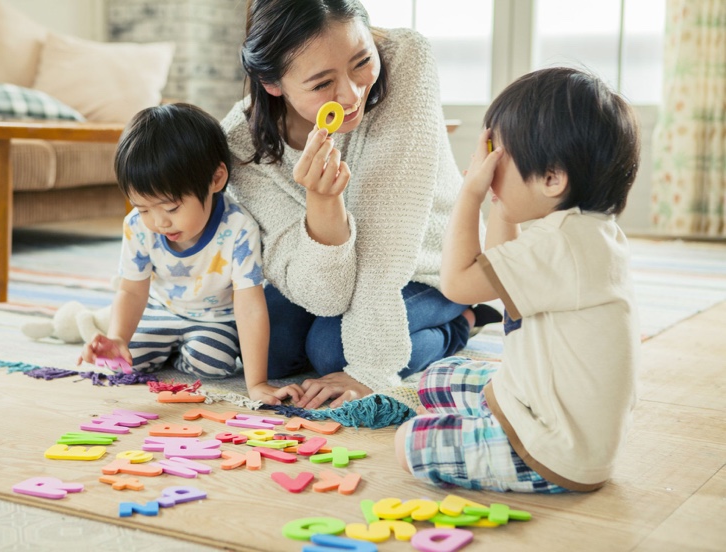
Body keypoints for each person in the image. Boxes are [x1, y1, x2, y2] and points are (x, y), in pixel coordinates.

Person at [221, 0, 501, 410]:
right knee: (269, 348)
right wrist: (323, 203)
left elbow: (386, 236)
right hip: (338, 275)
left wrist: (370, 369)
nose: (352, 94)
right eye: (321, 84)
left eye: (361, 61)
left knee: (333, 351)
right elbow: (325, 297)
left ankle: (461, 322)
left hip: (431, 260)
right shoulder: (241, 144)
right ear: (272, 83)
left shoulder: (405, 59)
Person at [394, 67, 642, 492]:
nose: (487, 164)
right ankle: (485, 426)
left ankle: (495, 444)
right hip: (544, 405)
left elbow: (458, 283)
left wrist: (470, 194)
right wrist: (504, 205)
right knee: (439, 377)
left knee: (406, 442)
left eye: (498, 153)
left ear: (552, 178)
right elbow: (498, 264)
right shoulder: (584, 233)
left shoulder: (562, 246)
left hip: (556, 450)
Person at [79, 103, 303, 406]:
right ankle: (129, 332)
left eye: (171, 208)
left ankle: (181, 349)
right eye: (143, 208)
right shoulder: (137, 226)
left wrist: (257, 384)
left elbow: (249, 305)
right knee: (128, 359)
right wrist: (118, 337)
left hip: (216, 317)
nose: (159, 222)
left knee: (214, 364)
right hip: (161, 309)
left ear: (216, 179)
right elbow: (131, 290)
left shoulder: (238, 229)